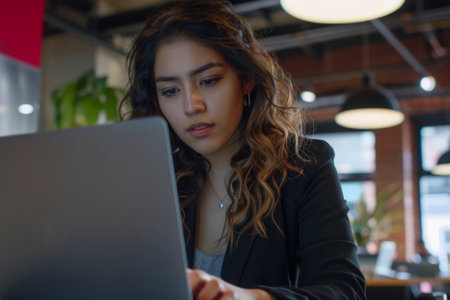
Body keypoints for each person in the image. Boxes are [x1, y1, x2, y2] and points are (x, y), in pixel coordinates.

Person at [120, 1, 366, 299]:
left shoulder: (306, 165)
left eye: (209, 81)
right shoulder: (159, 180)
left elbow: (345, 291)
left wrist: (246, 297)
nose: (190, 106)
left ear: (246, 79)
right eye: (171, 91)